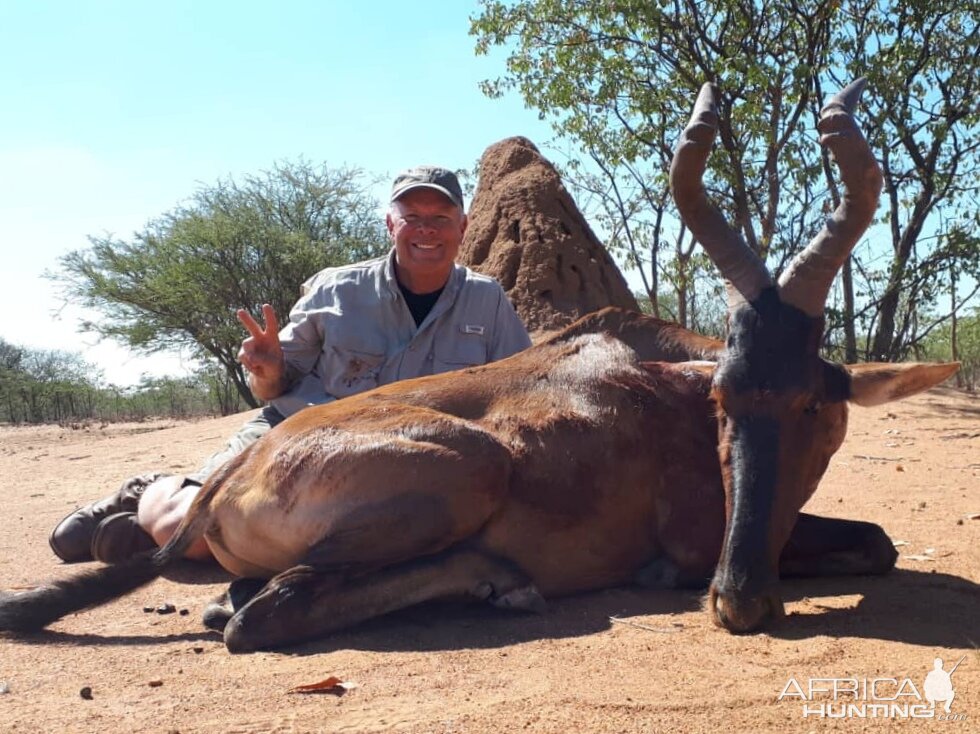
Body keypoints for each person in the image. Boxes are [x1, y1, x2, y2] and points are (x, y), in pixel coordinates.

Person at [50, 166, 532, 564]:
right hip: (299, 430)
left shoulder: (487, 302)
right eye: (412, 216)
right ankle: (149, 493)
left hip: (401, 461)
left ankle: (154, 535)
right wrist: (267, 368)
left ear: (464, 227)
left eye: (441, 217)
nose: (426, 229)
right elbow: (277, 388)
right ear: (391, 225)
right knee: (191, 530)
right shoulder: (337, 289)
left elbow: (519, 394)